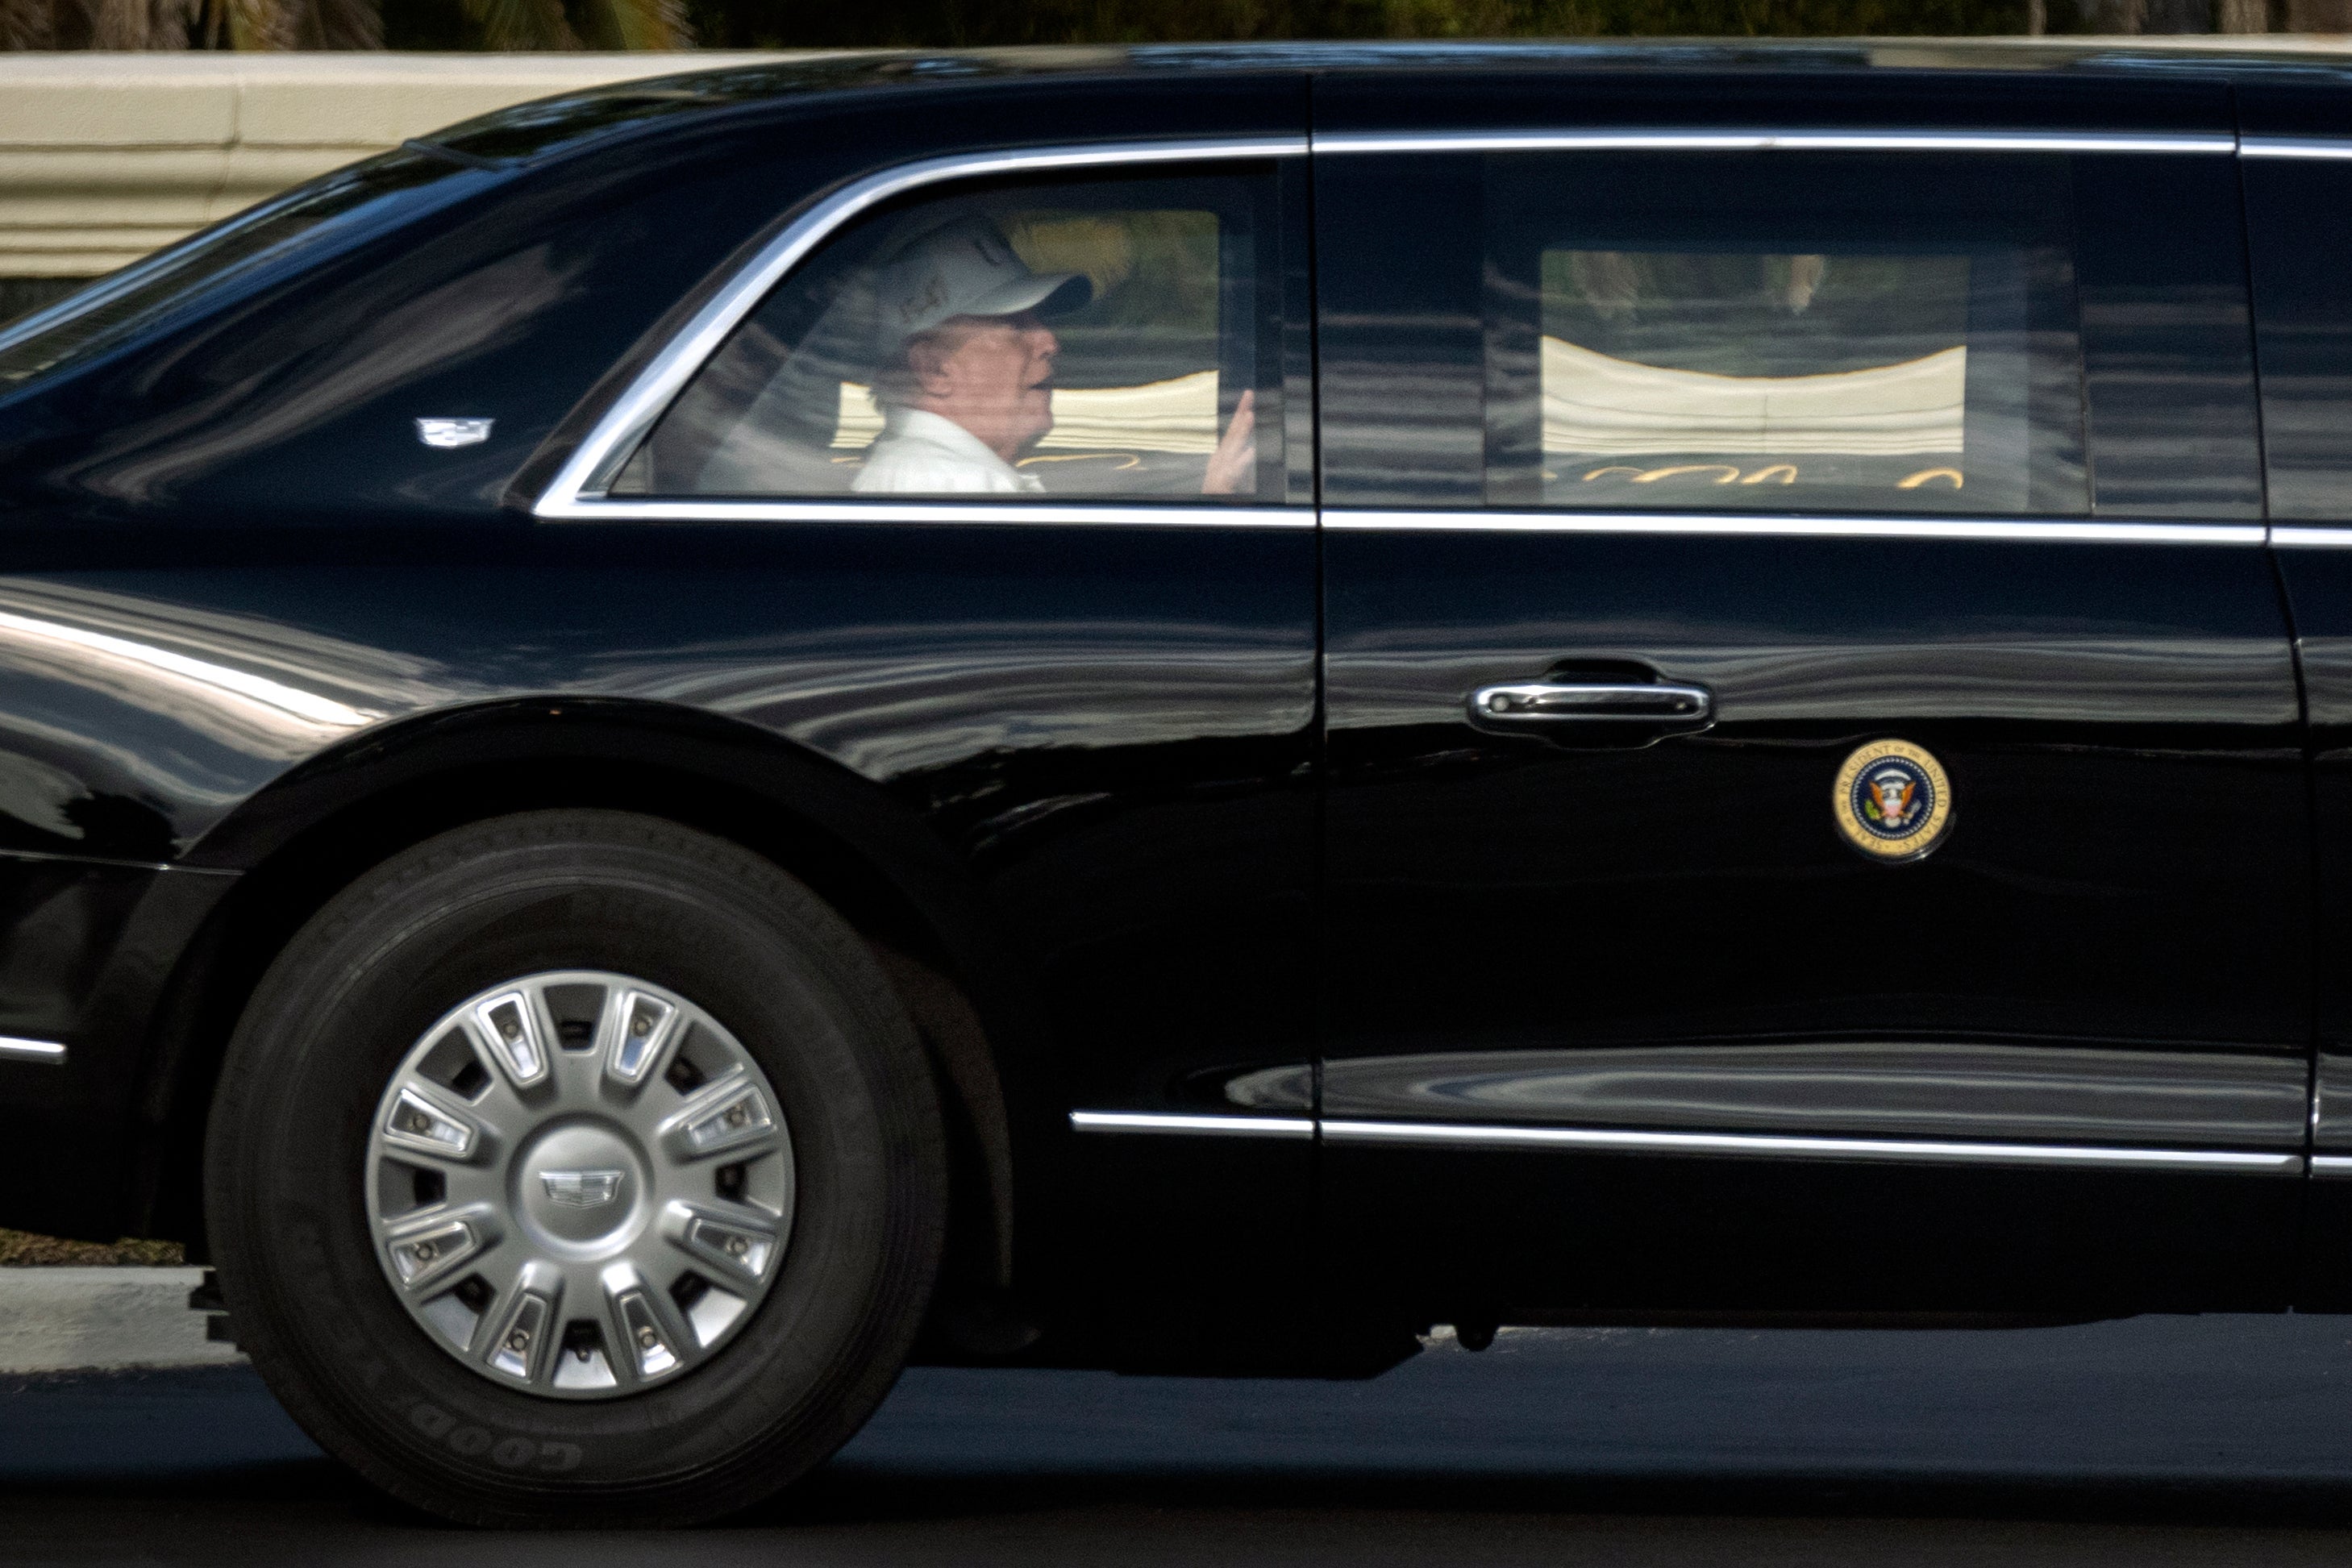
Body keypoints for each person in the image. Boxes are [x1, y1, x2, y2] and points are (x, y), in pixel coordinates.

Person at [853, 216, 1257, 497]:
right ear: (934, 369)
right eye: (1013, 324)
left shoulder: (930, 474)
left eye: (1038, 319)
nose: (1048, 341)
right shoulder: (953, 484)